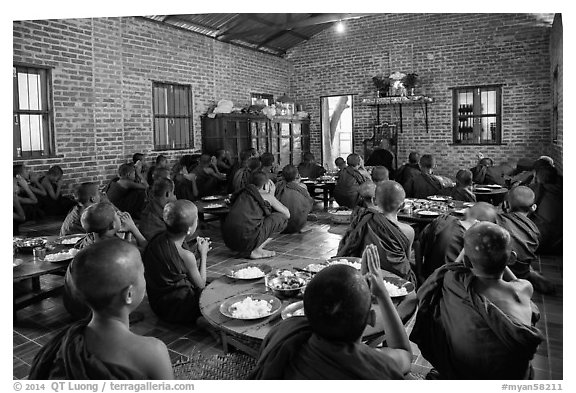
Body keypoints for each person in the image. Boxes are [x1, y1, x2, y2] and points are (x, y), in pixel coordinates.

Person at [251, 244, 412, 379]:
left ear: (304, 314)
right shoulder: (376, 363)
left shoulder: (283, 332)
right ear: (371, 318)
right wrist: (382, 293)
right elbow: (404, 354)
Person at [410, 222, 543, 379]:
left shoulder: (453, 281)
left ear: (467, 261)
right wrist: (499, 255)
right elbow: (514, 279)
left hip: (462, 371)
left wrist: (472, 248)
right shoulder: (523, 289)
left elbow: (451, 267)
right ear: (512, 258)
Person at [29, 238, 173, 379]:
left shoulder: (62, 346)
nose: (144, 277)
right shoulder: (153, 352)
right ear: (129, 294)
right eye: (142, 273)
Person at [65, 202, 147, 319]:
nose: (120, 216)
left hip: (77, 307)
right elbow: (148, 251)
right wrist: (134, 229)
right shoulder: (114, 247)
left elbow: (125, 249)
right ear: (113, 225)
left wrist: (127, 232)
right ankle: (117, 315)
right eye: (117, 216)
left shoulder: (88, 239)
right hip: (96, 312)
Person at [143, 200, 212, 326]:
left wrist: (193, 255)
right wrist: (203, 254)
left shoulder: (157, 240)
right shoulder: (187, 255)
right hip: (181, 307)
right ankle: (198, 319)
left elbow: (176, 265)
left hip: (159, 305)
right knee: (212, 290)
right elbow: (201, 285)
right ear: (189, 229)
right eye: (196, 220)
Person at [337, 181, 416, 282]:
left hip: (363, 277)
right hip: (396, 282)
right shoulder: (409, 231)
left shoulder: (364, 219)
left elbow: (350, 245)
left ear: (374, 201)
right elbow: (406, 261)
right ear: (403, 205)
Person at [417, 202, 497, 280]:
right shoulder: (474, 240)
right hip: (450, 287)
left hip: (427, 278)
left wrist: (419, 273)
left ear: (467, 213)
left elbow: (417, 243)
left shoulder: (442, 220)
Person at [497, 186, 554, 294]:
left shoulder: (498, 220)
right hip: (520, 271)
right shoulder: (535, 232)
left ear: (506, 205)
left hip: (497, 271)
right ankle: (529, 274)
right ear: (533, 207)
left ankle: (530, 274)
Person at [222, 171, 289, 259]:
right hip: (247, 239)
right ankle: (256, 250)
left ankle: (249, 248)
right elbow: (287, 214)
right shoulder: (266, 196)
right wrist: (271, 195)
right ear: (266, 185)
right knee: (282, 218)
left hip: (229, 241)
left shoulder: (241, 193)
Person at [529, 165, 562, 254]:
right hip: (559, 245)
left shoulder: (536, 189)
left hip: (540, 241)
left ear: (537, 177)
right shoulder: (561, 190)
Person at [274, 164, 314, 233]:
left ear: (282, 176)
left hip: (279, 225)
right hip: (298, 225)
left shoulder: (277, 186)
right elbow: (309, 204)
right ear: (297, 175)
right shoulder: (302, 187)